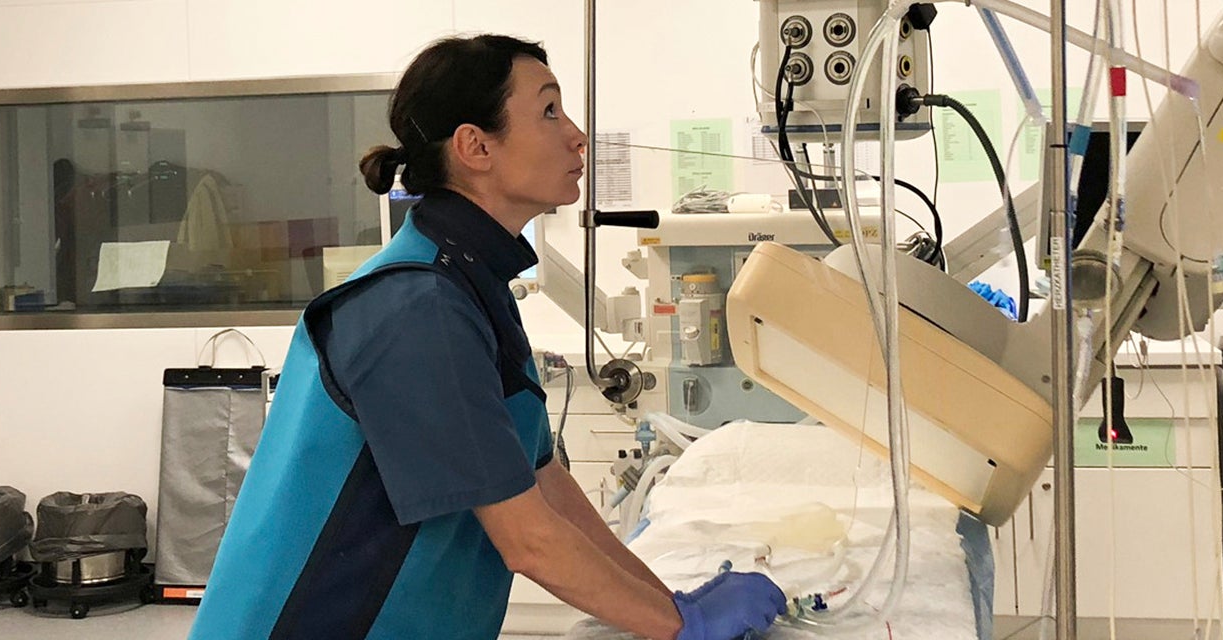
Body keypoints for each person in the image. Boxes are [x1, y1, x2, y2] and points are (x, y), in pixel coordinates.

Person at [189, 34, 787, 640]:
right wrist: (682, 626)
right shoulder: (413, 307)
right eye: (549, 111)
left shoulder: (471, 283)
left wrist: (672, 604)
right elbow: (528, 540)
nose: (576, 134)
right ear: (475, 146)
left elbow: (548, 489)